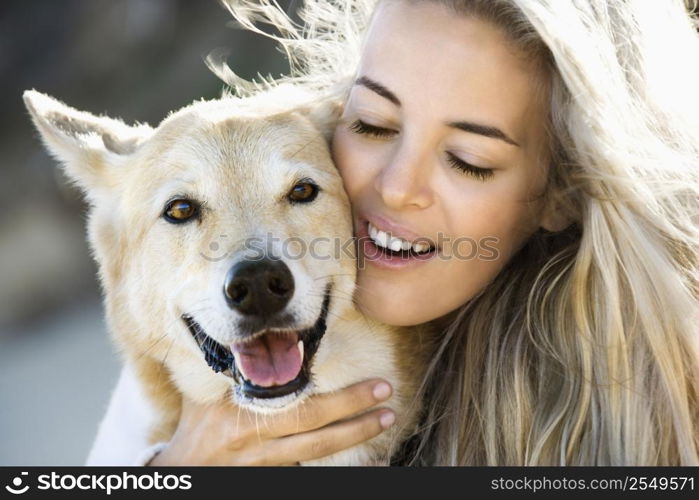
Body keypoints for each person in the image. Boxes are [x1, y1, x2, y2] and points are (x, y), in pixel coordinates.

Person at [87, 0, 699, 466]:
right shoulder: (187, 357)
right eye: (374, 125)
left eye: (468, 160)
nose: (396, 187)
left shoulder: (649, 408)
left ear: (562, 194)